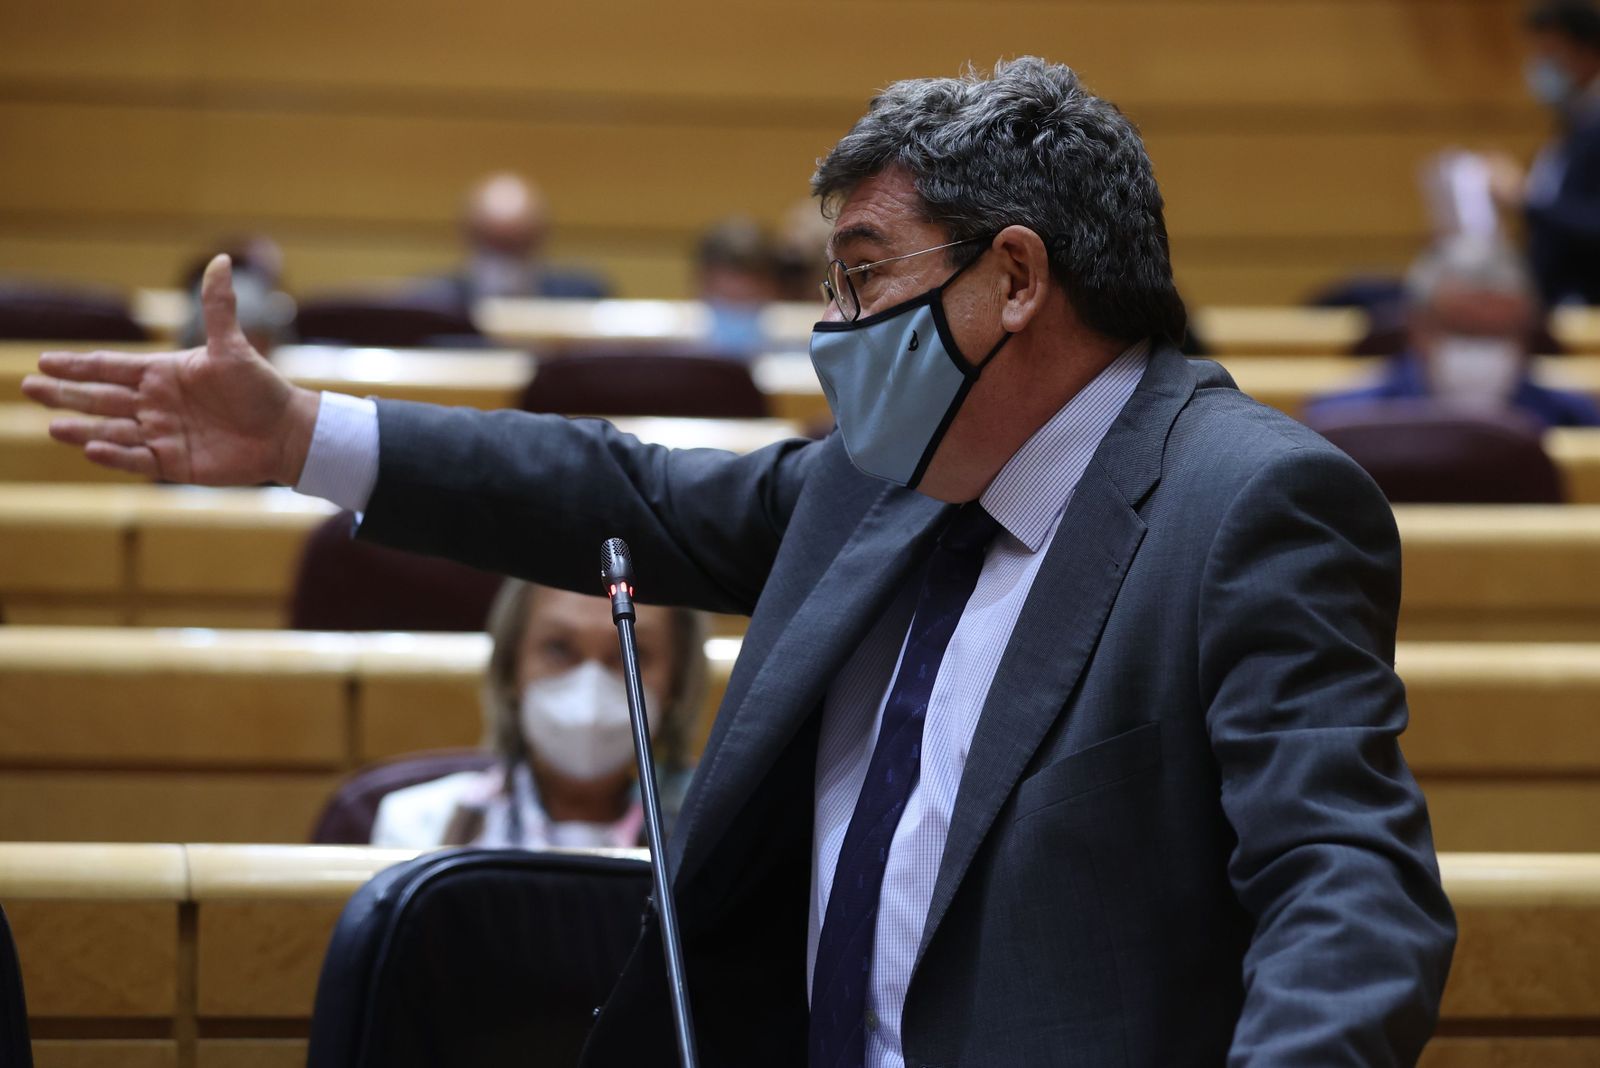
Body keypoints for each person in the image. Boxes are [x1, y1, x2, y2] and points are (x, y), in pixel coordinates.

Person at [24, 57, 1454, 1067]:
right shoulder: (883, 481)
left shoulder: (1245, 505)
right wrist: (301, 437)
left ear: (1016, 279)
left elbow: (1349, 893)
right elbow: (621, 491)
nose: (834, 330)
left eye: (865, 277)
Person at [370, 579, 706, 849]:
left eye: (629, 653)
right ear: (510, 667)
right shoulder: (421, 826)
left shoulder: (713, 835)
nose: (589, 687)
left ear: (676, 684)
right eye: (559, 648)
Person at [1307, 235, 1600, 427]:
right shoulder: (1342, 419)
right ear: (1417, 328)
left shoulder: (1576, 418)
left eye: (1501, 333)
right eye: (1464, 331)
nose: (1483, 349)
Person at [1486, 0, 1600, 305]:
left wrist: (1525, 198)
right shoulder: (1574, 120)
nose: (1539, 66)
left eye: (1550, 54)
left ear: (1588, 52)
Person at [415, 172, 611, 308]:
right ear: (468, 237)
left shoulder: (582, 299)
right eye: (493, 243)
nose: (506, 263)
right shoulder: (431, 304)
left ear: (541, 237)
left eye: (518, 245)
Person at [694, 217, 780, 357]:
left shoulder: (794, 337)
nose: (741, 288)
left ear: (771, 285)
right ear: (705, 280)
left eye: (754, 278)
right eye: (731, 276)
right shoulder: (677, 340)